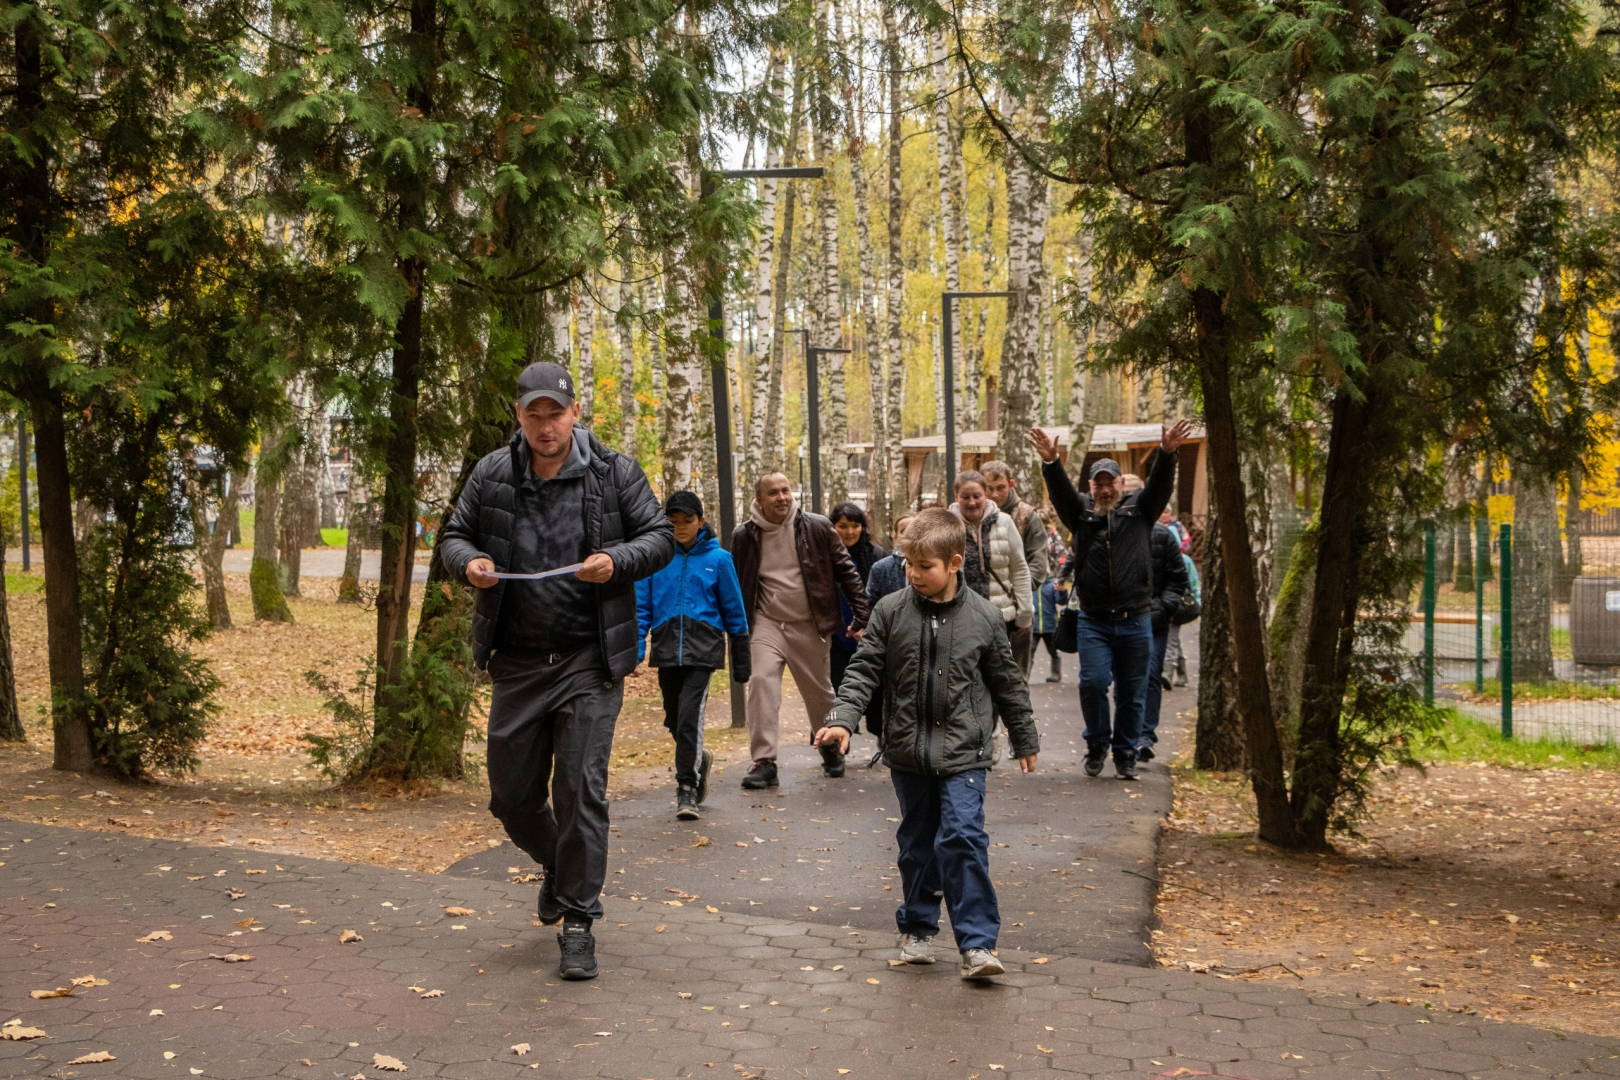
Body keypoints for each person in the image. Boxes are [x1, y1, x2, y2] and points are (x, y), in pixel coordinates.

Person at [441, 361, 674, 981]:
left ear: (576, 413)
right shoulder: (493, 472)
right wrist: (470, 564)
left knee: (578, 790)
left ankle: (578, 920)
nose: (545, 426)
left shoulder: (614, 472)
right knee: (512, 798)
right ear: (518, 415)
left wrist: (615, 560)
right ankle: (558, 866)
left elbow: (659, 538)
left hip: (588, 659)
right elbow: (453, 536)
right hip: (517, 661)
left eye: (556, 413)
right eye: (533, 414)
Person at [814, 508, 1039, 980]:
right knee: (918, 844)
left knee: (962, 838)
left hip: (965, 753)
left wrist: (1024, 737)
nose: (914, 575)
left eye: (925, 566)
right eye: (908, 566)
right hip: (908, 751)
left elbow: (1007, 683)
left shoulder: (984, 616)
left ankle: (977, 945)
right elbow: (864, 670)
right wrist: (843, 720)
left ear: (955, 562)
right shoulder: (891, 611)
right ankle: (918, 928)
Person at [1028, 419, 1195, 781]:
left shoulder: (1141, 512)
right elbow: (1060, 494)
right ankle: (1096, 745)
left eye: (1111, 483)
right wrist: (1052, 462)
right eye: (1098, 484)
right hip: (1094, 619)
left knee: (1133, 692)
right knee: (1092, 683)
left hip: (1136, 619)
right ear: (1091, 487)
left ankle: (1125, 752)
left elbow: (1161, 485)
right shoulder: (1082, 516)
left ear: (1121, 485)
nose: (1105, 489)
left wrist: (1167, 453)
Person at [732, 472, 871, 787]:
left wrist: (862, 614)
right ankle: (764, 761)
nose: (781, 497)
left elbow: (845, 571)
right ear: (759, 499)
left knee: (819, 693)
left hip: (810, 623)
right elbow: (740, 583)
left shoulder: (817, 527)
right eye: (773, 493)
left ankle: (830, 746)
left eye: (785, 490)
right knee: (762, 683)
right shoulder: (745, 535)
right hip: (766, 622)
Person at [634, 492, 751, 820]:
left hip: (704, 651)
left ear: (701, 521)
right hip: (667, 649)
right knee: (674, 717)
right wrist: (637, 649)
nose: (681, 528)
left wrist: (741, 660)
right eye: (674, 522)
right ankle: (698, 759)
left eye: (688, 521)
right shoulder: (655, 560)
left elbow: (734, 611)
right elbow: (642, 608)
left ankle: (686, 788)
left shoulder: (720, 560)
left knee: (688, 717)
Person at [980, 461, 1050, 677]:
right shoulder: (972, 513)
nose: (994, 494)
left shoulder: (1028, 516)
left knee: (1017, 676)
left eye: (1000, 487)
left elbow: (1038, 562)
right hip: (983, 606)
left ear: (1011, 484)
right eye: (988, 488)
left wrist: (1018, 595)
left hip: (1017, 604)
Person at [950, 470, 1033, 647]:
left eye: (977, 496)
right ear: (956, 496)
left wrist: (1025, 613)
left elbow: (1019, 569)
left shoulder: (1004, 522)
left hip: (1000, 617)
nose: (972, 502)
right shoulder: (948, 526)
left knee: (999, 672)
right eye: (965, 497)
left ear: (985, 495)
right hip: (959, 619)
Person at [828, 502, 886, 739]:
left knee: (876, 688)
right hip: (835, 634)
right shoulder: (824, 556)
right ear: (832, 527)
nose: (849, 532)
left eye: (855, 526)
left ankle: (882, 734)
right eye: (842, 526)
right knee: (834, 687)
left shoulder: (876, 555)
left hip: (869, 633)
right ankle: (835, 742)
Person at [1139, 512, 1192, 762]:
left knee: (1151, 675)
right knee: (1126, 677)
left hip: (1156, 620)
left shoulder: (1164, 535)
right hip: (1123, 618)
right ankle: (1127, 735)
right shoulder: (1113, 531)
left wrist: (1162, 608)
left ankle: (1145, 736)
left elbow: (1179, 577)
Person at [1160, 508, 1194, 687]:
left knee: (1171, 637)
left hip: (1178, 605)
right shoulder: (1159, 558)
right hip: (1165, 604)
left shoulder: (1185, 561)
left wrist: (1194, 598)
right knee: (1173, 638)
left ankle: (1167, 672)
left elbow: (1193, 582)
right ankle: (1181, 669)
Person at [864, 514, 914, 604]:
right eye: (903, 531)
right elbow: (870, 604)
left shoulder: (931, 565)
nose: (909, 535)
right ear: (895, 535)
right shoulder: (880, 568)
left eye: (915, 530)